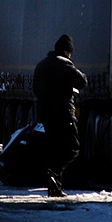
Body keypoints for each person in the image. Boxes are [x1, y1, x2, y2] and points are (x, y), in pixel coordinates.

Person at [32, 33, 87, 197]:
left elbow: (35, 89)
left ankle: (55, 188)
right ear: (66, 51)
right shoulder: (65, 64)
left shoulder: (41, 65)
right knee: (72, 147)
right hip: (63, 113)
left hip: (46, 113)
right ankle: (53, 173)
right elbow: (82, 81)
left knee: (55, 148)